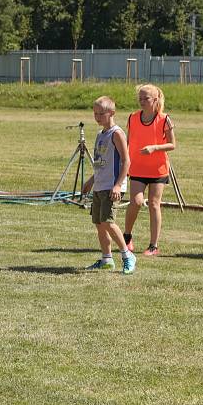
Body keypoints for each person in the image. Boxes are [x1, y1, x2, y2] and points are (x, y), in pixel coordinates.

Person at [82, 97, 137, 274]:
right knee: (99, 223)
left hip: (111, 186)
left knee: (108, 222)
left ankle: (127, 255)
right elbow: (101, 163)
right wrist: (91, 181)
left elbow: (126, 161)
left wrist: (118, 185)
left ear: (112, 113)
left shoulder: (117, 133)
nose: (97, 117)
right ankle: (107, 259)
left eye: (101, 114)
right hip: (99, 185)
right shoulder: (100, 134)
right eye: (95, 113)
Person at [123, 84, 176, 256]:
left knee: (154, 204)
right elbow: (128, 142)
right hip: (137, 168)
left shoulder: (164, 119)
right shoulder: (132, 118)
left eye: (146, 98)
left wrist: (155, 148)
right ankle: (127, 236)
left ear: (155, 100)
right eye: (140, 98)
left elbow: (172, 145)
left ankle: (153, 246)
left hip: (158, 170)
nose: (142, 101)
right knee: (136, 202)